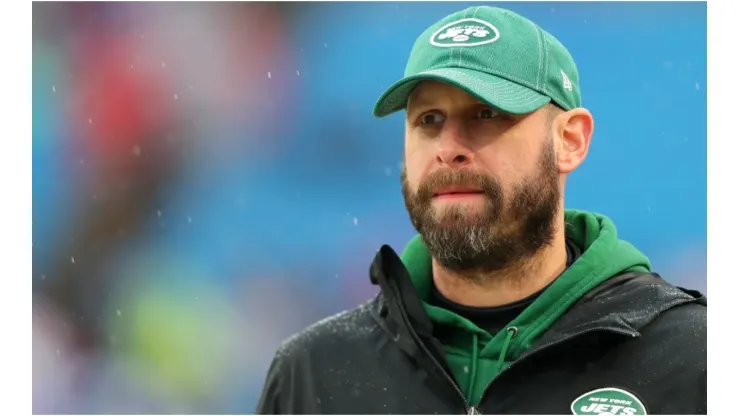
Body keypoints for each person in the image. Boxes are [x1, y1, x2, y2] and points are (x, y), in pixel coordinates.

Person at [256, 5, 707, 415]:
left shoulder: (692, 358)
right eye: (428, 120)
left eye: (487, 114)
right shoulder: (313, 374)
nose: (449, 149)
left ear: (569, 140)